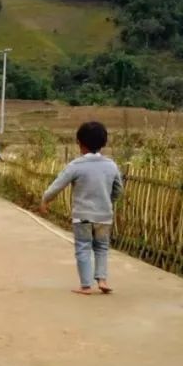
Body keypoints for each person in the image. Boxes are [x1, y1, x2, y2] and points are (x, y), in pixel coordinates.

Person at [39, 121, 123, 295]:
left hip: (82, 216)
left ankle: (86, 285)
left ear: (79, 143)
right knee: (101, 248)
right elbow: (118, 189)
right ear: (104, 143)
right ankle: (102, 280)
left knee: (83, 247)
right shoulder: (111, 165)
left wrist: (45, 200)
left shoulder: (76, 166)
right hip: (104, 216)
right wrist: (108, 201)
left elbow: (57, 185)